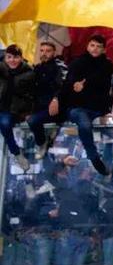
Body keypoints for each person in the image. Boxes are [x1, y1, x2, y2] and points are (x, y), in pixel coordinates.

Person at [50, 34, 113, 175]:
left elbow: (104, 85)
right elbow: (67, 84)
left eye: (98, 46)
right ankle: (94, 157)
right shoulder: (77, 63)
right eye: (92, 45)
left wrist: (86, 84)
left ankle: (111, 168)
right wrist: (57, 99)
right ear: (87, 46)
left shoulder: (108, 66)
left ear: (104, 49)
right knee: (84, 125)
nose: (95, 49)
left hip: (98, 109)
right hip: (78, 108)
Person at [28, 41, 67, 159]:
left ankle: (42, 144)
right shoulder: (37, 68)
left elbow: (63, 87)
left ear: (54, 52)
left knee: (33, 121)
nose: (44, 53)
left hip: (56, 107)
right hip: (39, 107)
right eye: (42, 50)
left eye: (48, 51)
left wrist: (56, 99)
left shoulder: (60, 67)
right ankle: (43, 143)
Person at [0, 44, 35, 172]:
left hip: (13, 109)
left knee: (5, 124)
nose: (12, 60)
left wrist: (29, 111)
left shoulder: (29, 73)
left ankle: (16, 152)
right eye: (9, 57)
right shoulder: (1, 68)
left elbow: (32, 95)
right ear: (5, 57)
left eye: (15, 57)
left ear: (21, 58)